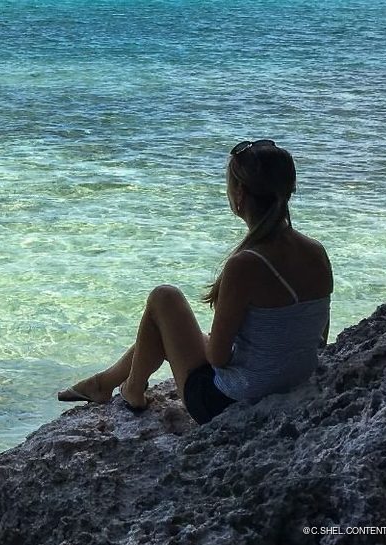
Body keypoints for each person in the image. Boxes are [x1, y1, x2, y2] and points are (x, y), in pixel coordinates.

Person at [57, 140, 333, 424]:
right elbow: (318, 338)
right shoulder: (316, 251)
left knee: (164, 298)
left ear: (239, 193)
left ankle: (130, 389)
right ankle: (107, 383)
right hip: (289, 385)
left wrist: (224, 345)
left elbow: (217, 358)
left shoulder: (247, 264)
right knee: (168, 325)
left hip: (225, 402)